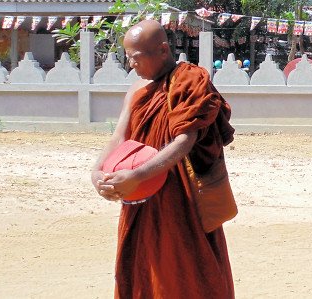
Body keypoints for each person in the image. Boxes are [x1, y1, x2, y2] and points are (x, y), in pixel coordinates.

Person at [90, 20, 235, 297]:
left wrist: (137, 175)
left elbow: (185, 140)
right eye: (128, 57)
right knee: (142, 263)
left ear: (163, 50)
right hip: (141, 194)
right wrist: (97, 172)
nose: (131, 64)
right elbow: (119, 137)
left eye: (136, 57)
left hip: (181, 195)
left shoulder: (189, 80)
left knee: (186, 266)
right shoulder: (135, 90)